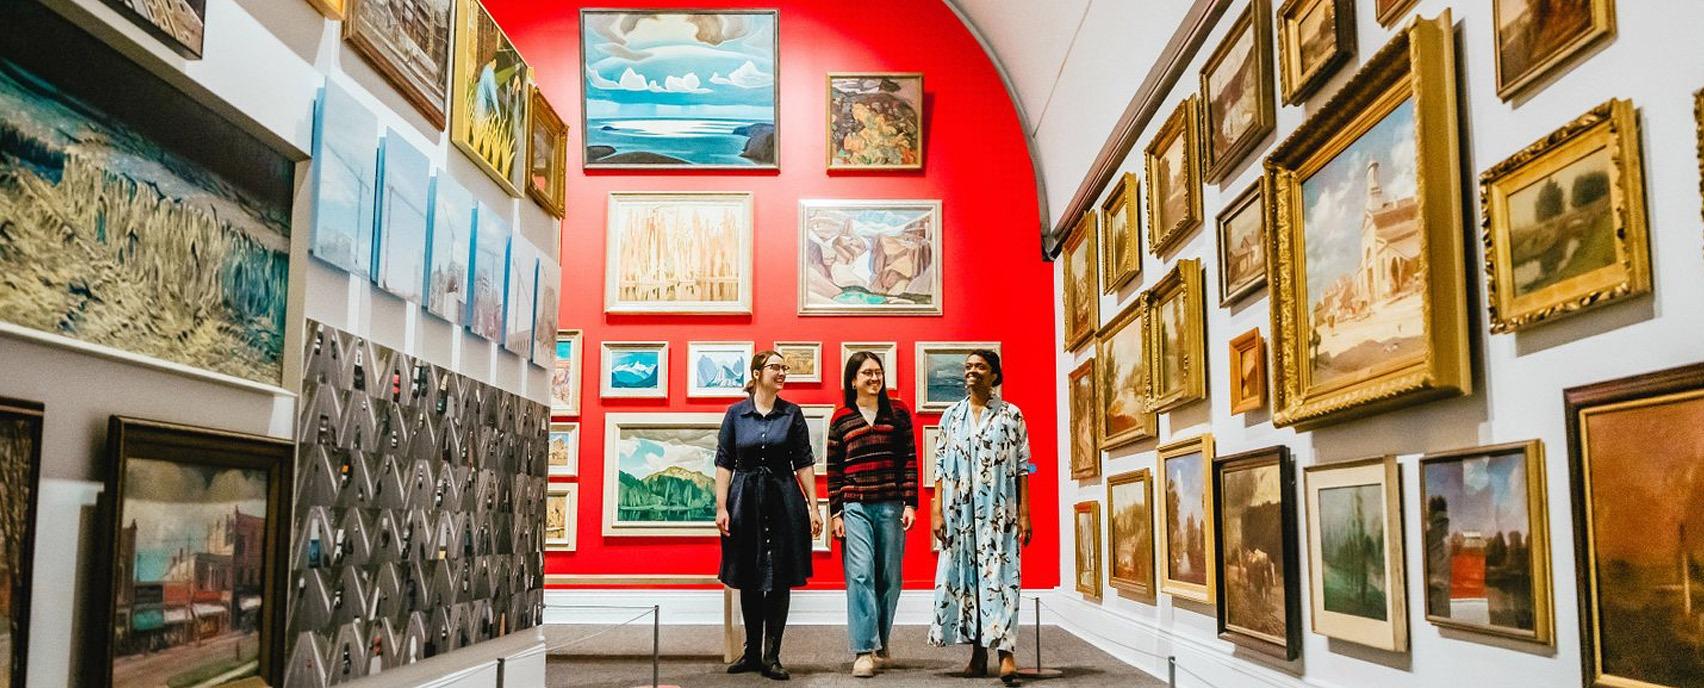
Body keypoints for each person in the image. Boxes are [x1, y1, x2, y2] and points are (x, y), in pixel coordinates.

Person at [927, 349, 1034, 685]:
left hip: (999, 512)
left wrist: (1026, 514)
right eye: (968, 366)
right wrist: (936, 509)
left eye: (980, 366)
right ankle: (976, 652)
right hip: (959, 512)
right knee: (965, 577)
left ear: (994, 374)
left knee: (1000, 578)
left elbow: (1024, 467)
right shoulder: (950, 417)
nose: (972, 371)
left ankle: (1006, 655)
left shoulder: (1012, 416)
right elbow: (940, 465)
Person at [717, 350, 823, 680]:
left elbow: (804, 463)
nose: (782, 372)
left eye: (784, 368)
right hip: (744, 499)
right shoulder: (736, 414)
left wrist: (814, 506)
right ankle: (751, 652)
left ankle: (772, 655)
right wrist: (721, 506)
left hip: (783, 499)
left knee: (778, 579)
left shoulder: (792, 414)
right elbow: (724, 462)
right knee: (748, 575)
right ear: (757, 372)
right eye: (775, 367)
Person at [826, 352, 918, 678]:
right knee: (860, 573)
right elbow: (834, 469)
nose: (873, 378)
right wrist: (836, 511)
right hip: (855, 505)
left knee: (890, 577)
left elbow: (909, 458)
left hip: (891, 503)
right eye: (866, 373)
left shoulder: (899, 413)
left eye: (877, 372)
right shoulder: (841, 419)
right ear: (853, 380)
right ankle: (864, 650)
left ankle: (882, 640)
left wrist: (910, 503)